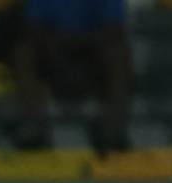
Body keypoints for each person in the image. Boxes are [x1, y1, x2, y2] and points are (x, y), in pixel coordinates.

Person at [9, 0, 133, 153]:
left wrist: (78, 43)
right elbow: (32, 28)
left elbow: (115, 30)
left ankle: (113, 132)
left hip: (92, 58)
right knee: (23, 54)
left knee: (118, 54)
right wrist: (58, 45)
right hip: (54, 55)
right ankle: (35, 129)